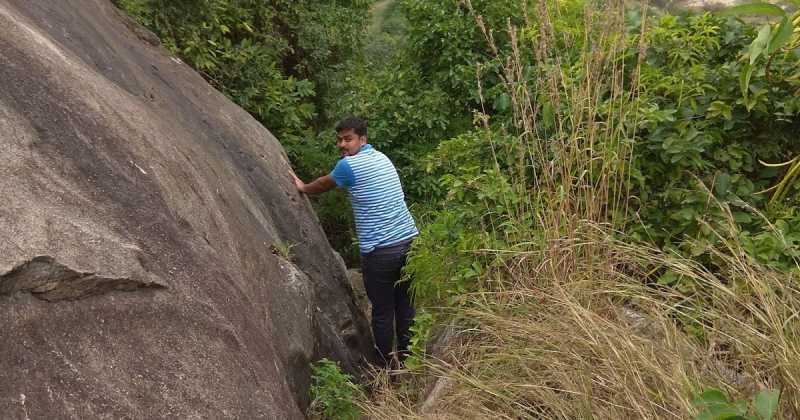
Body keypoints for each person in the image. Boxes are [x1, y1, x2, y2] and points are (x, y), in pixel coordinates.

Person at [291, 117, 418, 367]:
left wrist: (303, 187)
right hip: (410, 242)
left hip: (381, 251)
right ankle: (408, 360)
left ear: (363, 139)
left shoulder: (349, 166)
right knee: (405, 305)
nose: (342, 144)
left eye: (348, 139)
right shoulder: (382, 158)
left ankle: (386, 369)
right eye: (339, 139)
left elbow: (323, 184)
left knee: (382, 312)